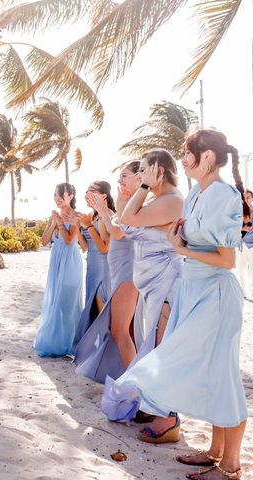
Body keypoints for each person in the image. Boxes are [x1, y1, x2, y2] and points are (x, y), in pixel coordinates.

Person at [103, 130, 247, 480]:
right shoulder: (198, 192)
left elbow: (226, 259)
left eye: (188, 153)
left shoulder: (223, 195)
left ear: (208, 157)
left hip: (215, 293)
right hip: (194, 290)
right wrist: (180, 239)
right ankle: (214, 452)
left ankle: (231, 463)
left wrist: (180, 248)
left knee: (222, 375)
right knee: (212, 373)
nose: (182, 160)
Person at [101, 150, 184, 425]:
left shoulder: (171, 201)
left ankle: (168, 419)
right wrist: (132, 193)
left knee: (162, 348)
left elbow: (128, 221)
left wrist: (143, 187)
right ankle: (153, 404)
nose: (141, 175)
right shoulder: (159, 200)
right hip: (151, 285)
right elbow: (126, 220)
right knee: (153, 345)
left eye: (146, 170)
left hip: (166, 282)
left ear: (158, 170)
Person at [74, 162, 142, 381]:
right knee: (119, 328)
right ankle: (129, 376)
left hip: (124, 271)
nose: (119, 181)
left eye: (124, 176)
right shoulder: (123, 206)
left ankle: (134, 380)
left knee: (121, 329)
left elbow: (110, 240)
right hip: (116, 270)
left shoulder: (130, 208)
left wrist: (97, 218)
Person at [33, 183, 84, 357]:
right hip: (56, 261)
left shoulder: (76, 215)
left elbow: (70, 240)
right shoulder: (53, 216)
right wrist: (52, 223)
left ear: (70, 196)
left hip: (70, 262)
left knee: (68, 303)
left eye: (61, 195)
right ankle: (55, 344)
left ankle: (71, 345)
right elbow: (44, 241)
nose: (57, 198)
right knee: (55, 302)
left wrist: (60, 223)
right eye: (55, 195)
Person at [72, 181, 113, 346]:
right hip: (91, 266)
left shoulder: (107, 215)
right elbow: (85, 247)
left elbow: (104, 247)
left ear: (103, 195)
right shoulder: (91, 215)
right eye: (86, 191)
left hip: (104, 266)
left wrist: (88, 225)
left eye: (92, 191)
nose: (86, 194)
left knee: (102, 308)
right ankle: (94, 347)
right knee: (92, 308)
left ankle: (105, 348)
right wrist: (78, 228)